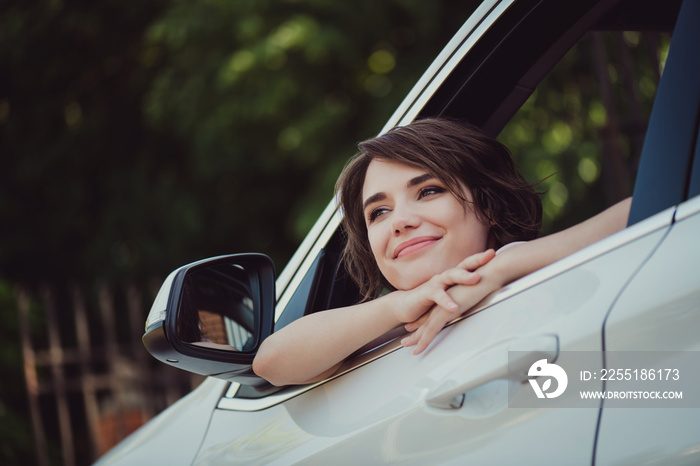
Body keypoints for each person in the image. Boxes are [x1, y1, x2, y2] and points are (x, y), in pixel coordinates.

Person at [252, 118, 631, 386]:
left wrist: (504, 266)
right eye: (378, 212)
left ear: (488, 206)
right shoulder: (390, 328)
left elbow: (653, 214)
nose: (399, 221)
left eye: (428, 191)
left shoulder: (533, 269)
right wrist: (396, 306)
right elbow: (270, 361)